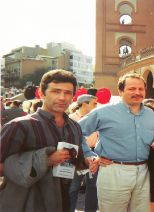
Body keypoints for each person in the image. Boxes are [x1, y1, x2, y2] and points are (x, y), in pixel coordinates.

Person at [0, 69, 95, 211]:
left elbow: (75, 159)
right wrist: (46, 159)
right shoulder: (19, 126)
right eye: (56, 91)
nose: (62, 97)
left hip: (63, 200)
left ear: (73, 97)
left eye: (68, 93)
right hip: (25, 202)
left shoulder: (74, 127)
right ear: (42, 93)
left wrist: (87, 161)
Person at [79, 73, 154, 212]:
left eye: (141, 89)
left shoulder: (150, 113)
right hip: (114, 171)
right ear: (121, 91)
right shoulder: (104, 112)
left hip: (144, 172)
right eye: (131, 89)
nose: (137, 92)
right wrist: (89, 154)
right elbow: (76, 132)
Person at [68, 94, 99, 212]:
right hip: (77, 155)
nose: (97, 106)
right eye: (94, 103)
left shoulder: (97, 117)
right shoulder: (71, 118)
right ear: (84, 104)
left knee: (93, 187)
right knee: (73, 187)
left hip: (94, 154)